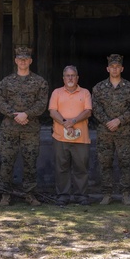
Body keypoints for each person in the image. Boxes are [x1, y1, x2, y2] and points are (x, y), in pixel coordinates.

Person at [0, 45, 49, 207]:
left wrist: (27, 114)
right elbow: (0, 102)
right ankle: (5, 195)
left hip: (30, 128)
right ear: (15, 61)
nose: (23, 61)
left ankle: (30, 194)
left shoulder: (40, 82)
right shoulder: (6, 82)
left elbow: (42, 103)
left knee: (30, 162)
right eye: (20, 59)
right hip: (9, 129)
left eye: (26, 59)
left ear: (30, 61)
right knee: (7, 162)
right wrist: (15, 114)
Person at [91, 54, 130, 205]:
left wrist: (119, 120)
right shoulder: (98, 88)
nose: (115, 69)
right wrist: (107, 122)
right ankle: (107, 194)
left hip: (123, 132)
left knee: (125, 162)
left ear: (122, 68)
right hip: (105, 132)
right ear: (107, 68)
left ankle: (125, 194)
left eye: (118, 67)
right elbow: (95, 108)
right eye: (112, 66)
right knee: (105, 163)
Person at [49, 65, 93, 205]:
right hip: (60, 136)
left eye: (73, 75)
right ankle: (63, 195)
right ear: (63, 78)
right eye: (67, 75)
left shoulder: (85, 93)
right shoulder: (56, 92)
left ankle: (82, 196)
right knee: (62, 167)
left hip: (81, 137)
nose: (70, 78)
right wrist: (65, 123)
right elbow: (52, 111)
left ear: (77, 78)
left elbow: (88, 111)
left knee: (81, 167)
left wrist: (73, 121)